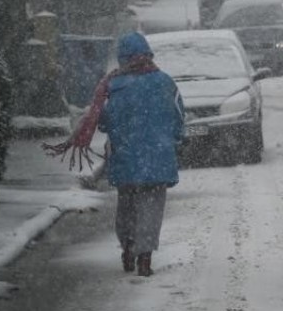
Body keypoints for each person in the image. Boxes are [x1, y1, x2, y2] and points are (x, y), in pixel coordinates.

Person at [46, 31, 183, 276]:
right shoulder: (166, 82)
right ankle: (145, 256)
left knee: (128, 205)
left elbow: (104, 121)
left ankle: (128, 246)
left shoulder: (112, 85)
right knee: (151, 207)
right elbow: (178, 116)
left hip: (126, 157)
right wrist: (173, 137)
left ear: (122, 58)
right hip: (158, 157)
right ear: (148, 55)